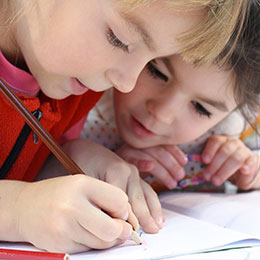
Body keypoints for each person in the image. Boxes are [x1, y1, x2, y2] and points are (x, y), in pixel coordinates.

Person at [0, 0, 248, 254]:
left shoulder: (75, 89)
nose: (126, 84)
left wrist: (63, 164)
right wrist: (17, 209)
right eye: (120, 40)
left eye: (152, 60)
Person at [81, 0, 260, 193]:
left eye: (201, 108)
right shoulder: (81, 91)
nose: (161, 113)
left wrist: (250, 170)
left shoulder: (237, 130)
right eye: (157, 72)